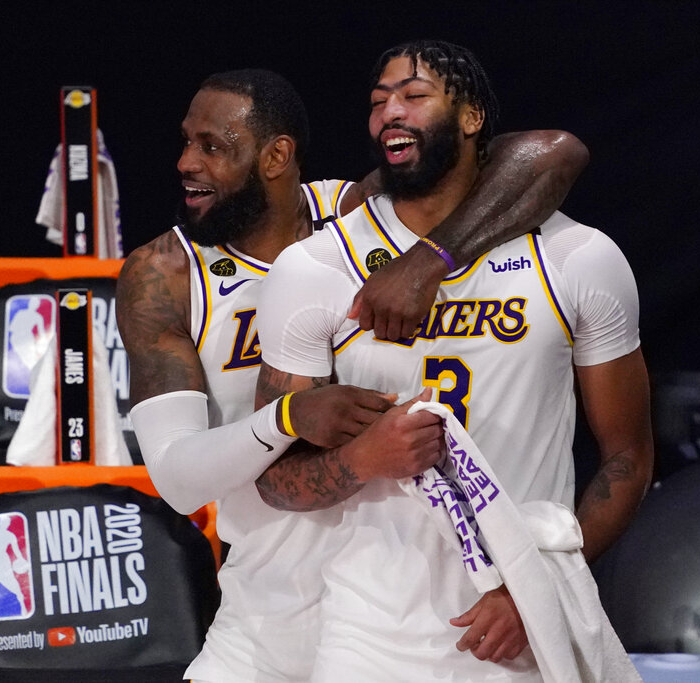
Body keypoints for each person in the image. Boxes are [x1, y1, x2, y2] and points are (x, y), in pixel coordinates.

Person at [117, 68, 588, 682]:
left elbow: (555, 152)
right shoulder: (164, 273)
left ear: (276, 155)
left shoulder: (352, 215)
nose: (186, 162)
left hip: (398, 593)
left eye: (212, 146)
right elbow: (177, 481)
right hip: (269, 597)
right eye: (186, 142)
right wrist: (286, 417)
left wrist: (429, 258)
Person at [253, 40, 653, 681]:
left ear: (471, 118)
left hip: (519, 623)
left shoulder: (579, 257)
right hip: (367, 631)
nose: (389, 112)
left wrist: (536, 584)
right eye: (378, 101)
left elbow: (628, 458)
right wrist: (363, 457)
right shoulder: (313, 268)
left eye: (413, 96)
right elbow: (273, 478)